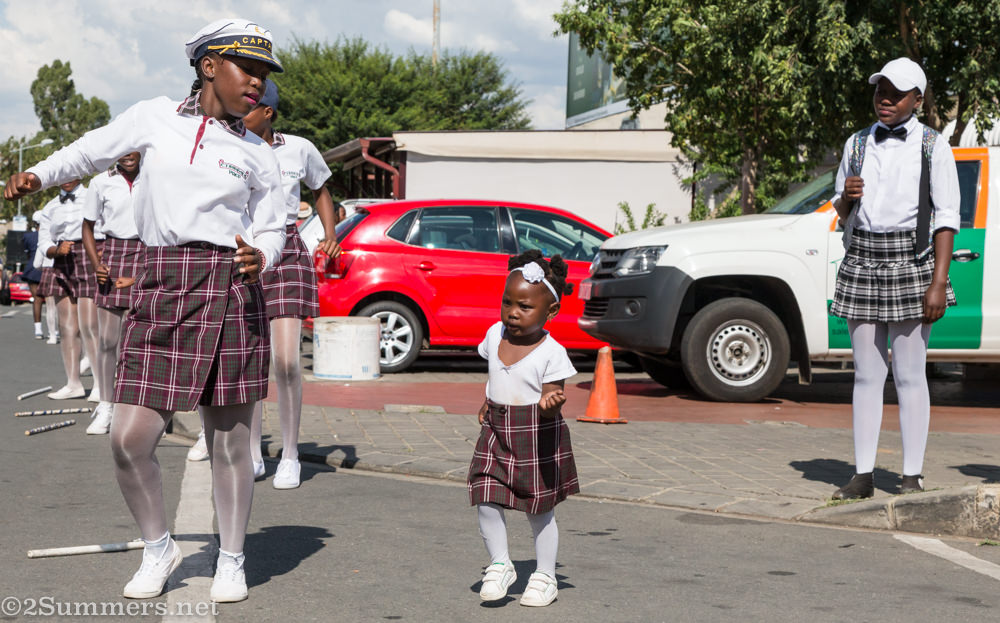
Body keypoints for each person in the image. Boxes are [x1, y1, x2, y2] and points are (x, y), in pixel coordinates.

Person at [3, 18, 286, 603]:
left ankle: (231, 558)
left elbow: (273, 225)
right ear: (209, 66)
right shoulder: (153, 116)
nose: (258, 83)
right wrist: (39, 174)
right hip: (161, 280)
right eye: (247, 69)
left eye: (264, 75)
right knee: (130, 438)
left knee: (232, 441)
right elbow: (91, 148)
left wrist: (263, 253)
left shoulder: (260, 154)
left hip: (231, 285)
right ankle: (159, 549)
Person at [829, 57, 959, 500]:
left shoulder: (932, 146)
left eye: (896, 92)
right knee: (866, 373)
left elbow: (946, 217)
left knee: (909, 373)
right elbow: (842, 212)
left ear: (917, 100)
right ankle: (862, 475)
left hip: (912, 261)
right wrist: (845, 199)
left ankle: (911, 475)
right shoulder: (857, 143)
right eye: (880, 89)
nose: (885, 98)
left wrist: (938, 281)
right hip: (863, 258)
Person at [467, 250, 579, 607]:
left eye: (525, 306)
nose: (512, 312)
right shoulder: (493, 334)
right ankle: (500, 564)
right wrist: (487, 399)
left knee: (538, 509)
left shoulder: (552, 352)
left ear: (551, 311)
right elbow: (495, 375)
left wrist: (552, 403)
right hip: (497, 431)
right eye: (507, 302)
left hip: (535, 434)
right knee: (484, 493)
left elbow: (552, 393)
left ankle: (545, 575)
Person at [242, 79, 339, 489]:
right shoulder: (232, 147)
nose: (239, 113)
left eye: (249, 107)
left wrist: (329, 233)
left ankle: (291, 454)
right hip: (244, 252)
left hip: (287, 249)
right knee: (249, 361)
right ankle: (250, 452)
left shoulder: (299, 148)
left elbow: (321, 189)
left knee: (285, 360)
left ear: (267, 112)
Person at [81, 152, 143, 435]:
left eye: (135, 148)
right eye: (123, 149)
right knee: (108, 341)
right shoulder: (100, 182)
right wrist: (97, 266)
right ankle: (106, 405)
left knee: (142, 341)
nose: (129, 155)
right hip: (113, 254)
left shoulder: (154, 177)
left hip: (149, 252)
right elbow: (88, 227)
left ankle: (141, 408)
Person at [36, 179, 102, 400]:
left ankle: (100, 384)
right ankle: (73, 383)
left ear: (80, 176)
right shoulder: (50, 206)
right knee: (67, 326)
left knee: (90, 325)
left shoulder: (93, 195)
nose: (66, 179)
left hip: (90, 253)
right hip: (62, 258)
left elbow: (108, 225)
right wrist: (55, 249)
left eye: (70, 174)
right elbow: (43, 240)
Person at [32, 208, 61, 344]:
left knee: (50, 307)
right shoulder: (63, 238)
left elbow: (36, 263)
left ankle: (52, 335)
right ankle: (63, 332)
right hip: (63, 271)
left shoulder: (43, 242)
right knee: (65, 305)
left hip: (49, 271)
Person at [20, 225, 44, 338]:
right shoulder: (50, 234)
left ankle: (38, 330)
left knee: (37, 300)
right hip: (48, 268)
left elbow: (27, 253)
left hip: (33, 269)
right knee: (52, 300)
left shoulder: (28, 236)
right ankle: (55, 331)